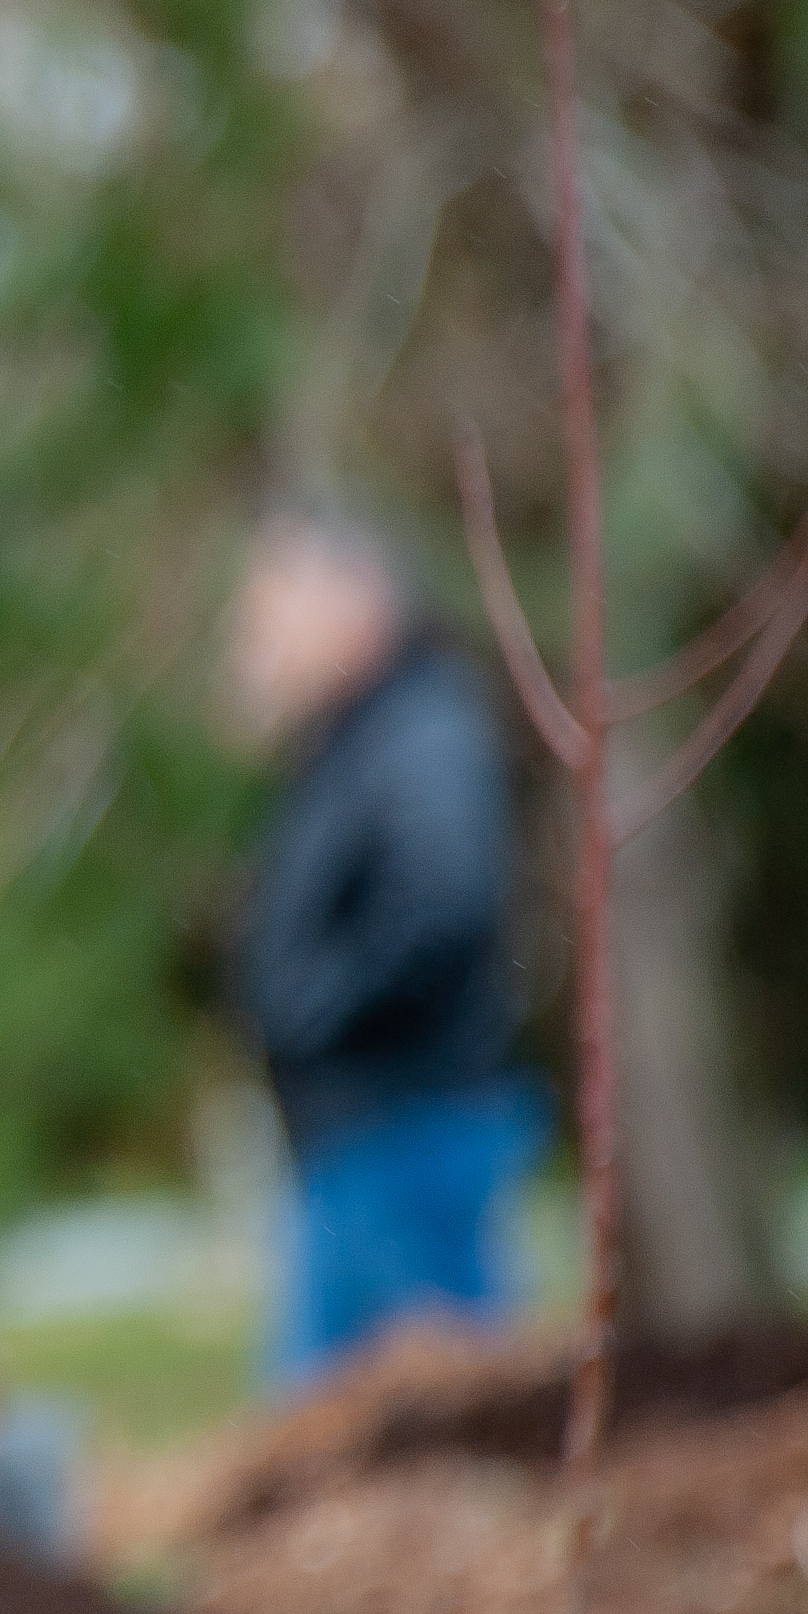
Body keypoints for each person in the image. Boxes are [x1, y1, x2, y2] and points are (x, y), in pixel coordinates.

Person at [221, 503, 544, 1385]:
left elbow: (443, 904)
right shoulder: (359, 742)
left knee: (429, 1424)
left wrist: (312, 1012)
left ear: (358, 600)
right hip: (362, 1141)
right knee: (344, 1443)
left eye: (274, 611)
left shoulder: (419, 734)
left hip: (404, 1137)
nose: (255, 642)